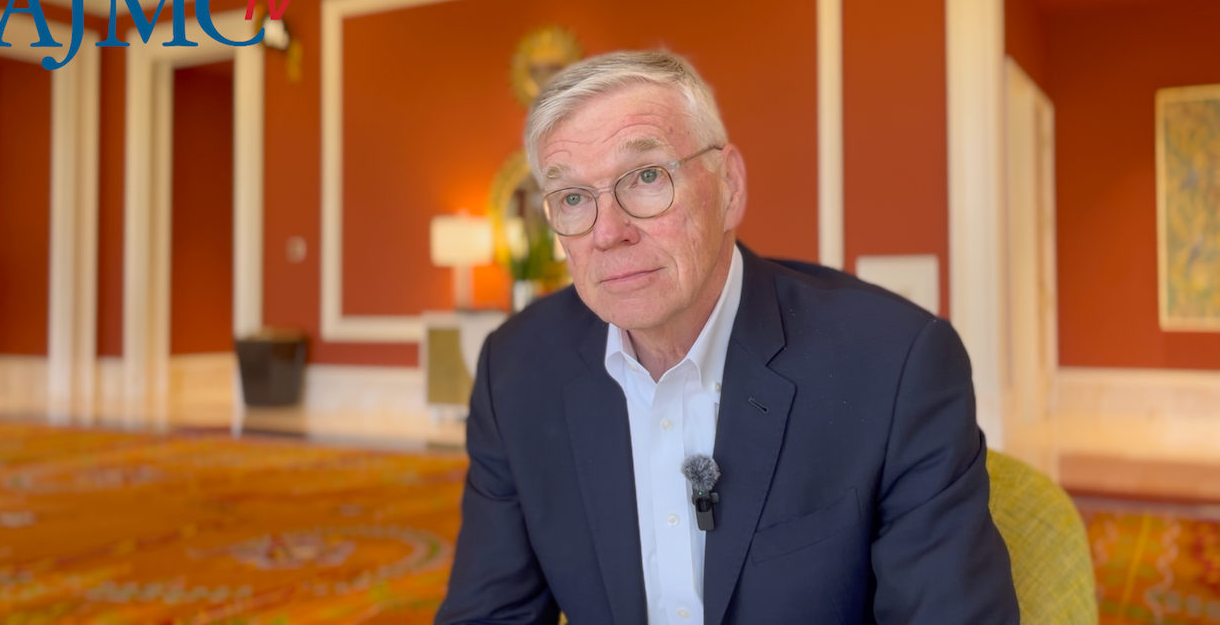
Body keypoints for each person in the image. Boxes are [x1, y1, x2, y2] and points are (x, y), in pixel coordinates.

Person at [436, 51, 1019, 624]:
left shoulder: (893, 364)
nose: (608, 232)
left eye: (646, 177)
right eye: (572, 198)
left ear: (729, 186)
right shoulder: (517, 369)